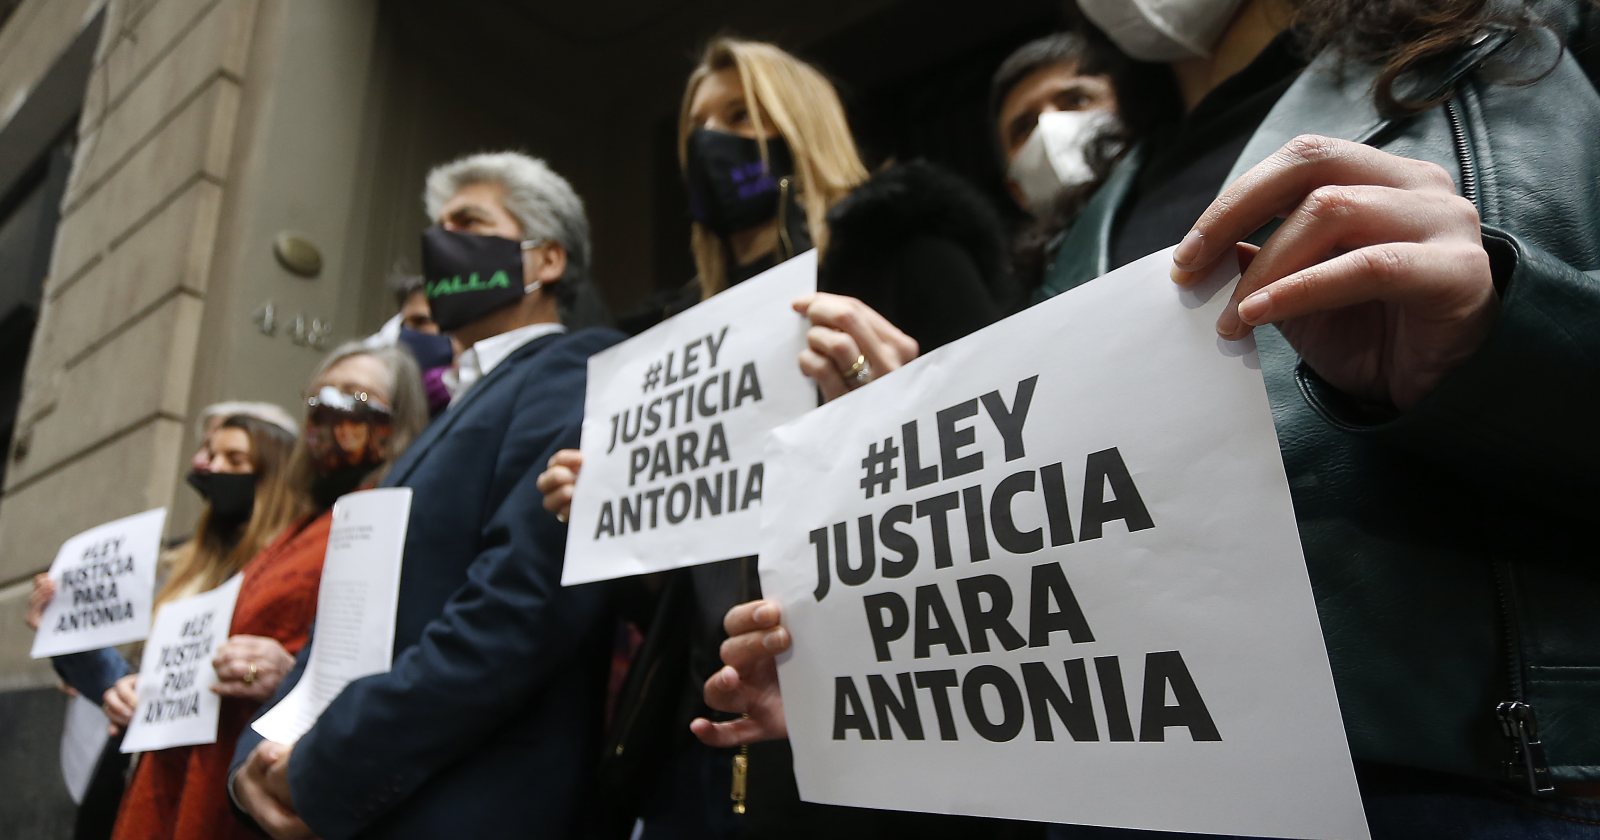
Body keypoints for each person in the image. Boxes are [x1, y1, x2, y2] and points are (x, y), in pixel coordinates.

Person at [700, 0, 1600, 837]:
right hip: (1127, 797)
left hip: (1461, 793)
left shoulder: (1517, 50)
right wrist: (853, 664)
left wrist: (1497, 335)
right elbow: (1073, 549)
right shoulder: (1087, 221)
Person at [543, 36, 1030, 840]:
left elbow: (1010, 485)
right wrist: (611, 522)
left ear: (799, 123)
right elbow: (680, 597)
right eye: (697, 126)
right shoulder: (679, 340)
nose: (712, 140)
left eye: (741, 115)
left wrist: (892, 408)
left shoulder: (906, 253)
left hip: (861, 744)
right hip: (693, 743)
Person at [231, 151, 625, 840]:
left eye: (470, 222)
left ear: (547, 260)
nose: (441, 242)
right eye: (438, 226)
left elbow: (516, 608)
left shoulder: (574, 369)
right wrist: (253, 761)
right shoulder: (449, 415)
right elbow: (345, 623)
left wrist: (325, 767)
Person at [100, 346, 426, 840]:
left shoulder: (384, 521)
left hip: (254, 781)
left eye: (356, 395)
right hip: (189, 773)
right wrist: (145, 688)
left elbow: (374, 659)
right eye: (320, 396)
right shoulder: (302, 528)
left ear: (398, 421)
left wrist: (286, 674)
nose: (332, 408)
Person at [989, 31, 1177, 298]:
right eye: (1024, 127)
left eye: (1075, 100)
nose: (1047, 127)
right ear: (1016, 191)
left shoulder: (1202, 185)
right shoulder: (1021, 300)